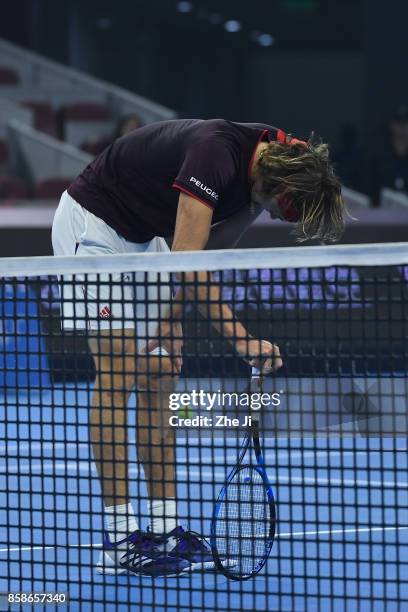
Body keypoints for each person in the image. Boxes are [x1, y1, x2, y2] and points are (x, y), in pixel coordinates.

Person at [52, 118, 345, 577]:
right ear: (280, 180)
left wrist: (172, 316)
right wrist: (244, 340)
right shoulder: (214, 154)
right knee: (118, 372)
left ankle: (166, 529)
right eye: (280, 208)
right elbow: (190, 264)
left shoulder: (262, 170)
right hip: (93, 227)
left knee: (161, 372)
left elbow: (211, 249)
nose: (274, 215)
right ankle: (119, 537)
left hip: (144, 238)